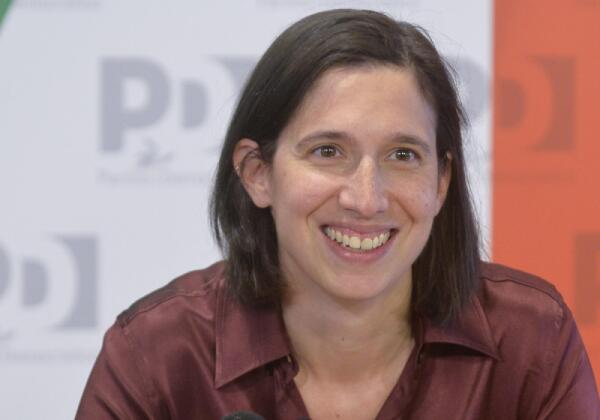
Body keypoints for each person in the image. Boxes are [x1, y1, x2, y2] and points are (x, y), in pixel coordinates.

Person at [76, 9, 599, 419]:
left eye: (402, 155)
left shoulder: (533, 340)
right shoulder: (155, 356)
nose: (366, 199)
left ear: (441, 182)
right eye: (328, 151)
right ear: (258, 173)